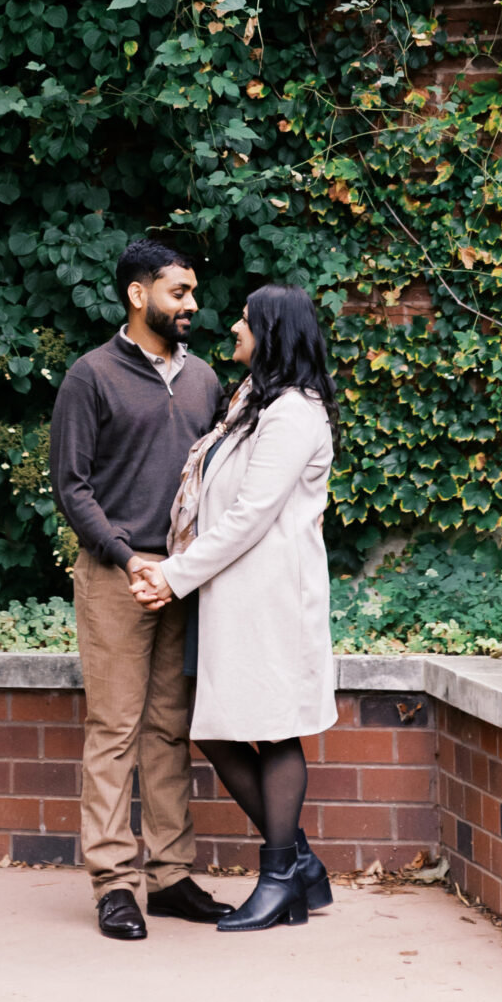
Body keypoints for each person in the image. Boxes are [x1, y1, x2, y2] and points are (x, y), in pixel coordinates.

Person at [131, 283, 339, 933]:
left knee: (273, 728)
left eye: (246, 323)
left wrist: (173, 576)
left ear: (273, 331)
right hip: (235, 594)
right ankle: (299, 865)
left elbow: (251, 514)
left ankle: (279, 879)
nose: (234, 331)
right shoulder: (255, 401)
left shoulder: (295, 414)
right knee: (218, 730)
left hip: (271, 597)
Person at [48, 235, 232, 941]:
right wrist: (129, 561)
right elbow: (73, 486)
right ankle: (114, 885)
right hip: (116, 579)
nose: (191, 304)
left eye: (191, 292)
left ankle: (171, 876)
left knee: (167, 730)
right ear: (137, 294)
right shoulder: (90, 377)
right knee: (115, 731)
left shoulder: (204, 380)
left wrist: (184, 569)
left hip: (180, 580)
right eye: (178, 292)